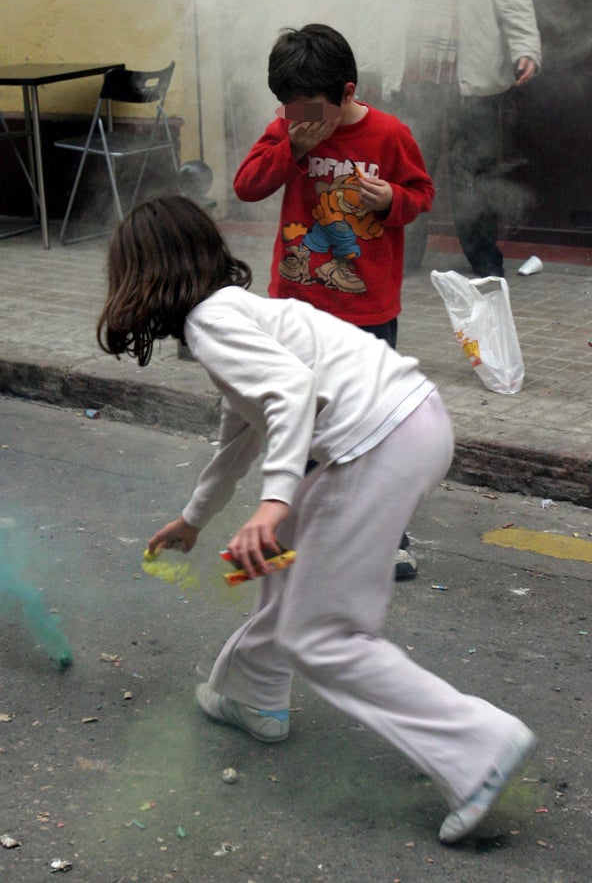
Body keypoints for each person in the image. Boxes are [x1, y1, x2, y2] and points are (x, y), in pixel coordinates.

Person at [97, 194, 537, 845]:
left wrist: (274, 501)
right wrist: (194, 518)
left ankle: (479, 748)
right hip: (407, 422)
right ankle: (255, 693)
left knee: (324, 632)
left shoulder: (211, 323)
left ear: (143, 275)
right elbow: (240, 434)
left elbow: (289, 394)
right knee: (285, 555)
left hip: (377, 439)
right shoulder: (236, 312)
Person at [234, 22, 436, 580]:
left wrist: (392, 198)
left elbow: (422, 195)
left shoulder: (389, 135)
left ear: (347, 92)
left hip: (367, 311)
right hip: (296, 306)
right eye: (288, 109)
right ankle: (298, 526)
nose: (299, 121)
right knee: (298, 423)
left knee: (372, 428)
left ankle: (388, 533)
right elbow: (247, 186)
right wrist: (290, 150)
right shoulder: (286, 130)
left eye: (310, 112)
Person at [357, 0, 542, 278]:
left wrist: (525, 47)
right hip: (411, 76)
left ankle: (483, 255)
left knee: (474, 170)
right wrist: (368, 63)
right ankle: (403, 254)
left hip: (468, 76)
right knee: (407, 168)